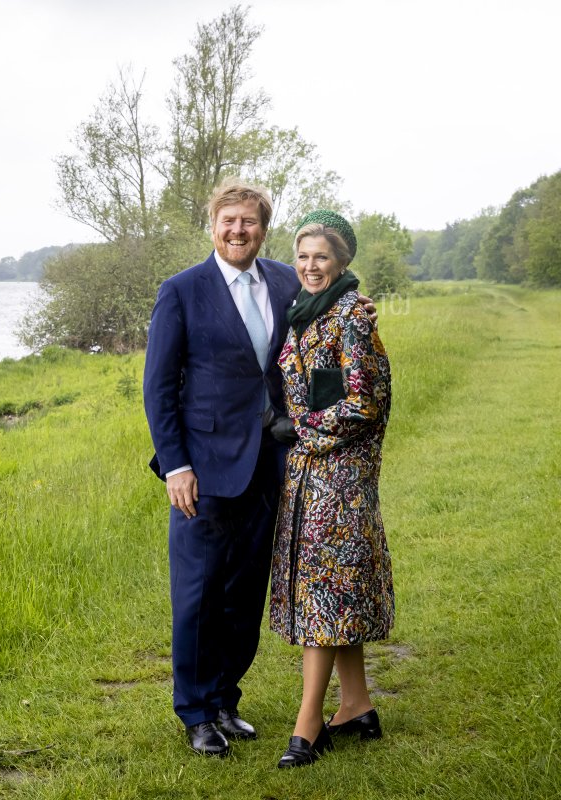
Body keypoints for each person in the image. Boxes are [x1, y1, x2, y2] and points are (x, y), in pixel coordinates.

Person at [143, 180, 376, 758]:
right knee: (197, 594)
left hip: (272, 466)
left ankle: (225, 699)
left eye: (248, 222)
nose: (238, 231)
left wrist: (361, 309)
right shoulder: (181, 292)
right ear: (213, 226)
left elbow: (334, 297)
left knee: (245, 592)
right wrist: (176, 465)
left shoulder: (284, 279)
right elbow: (158, 388)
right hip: (203, 470)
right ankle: (195, 712)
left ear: (262, 228)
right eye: (228, 222)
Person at [268, 210, 394, 769]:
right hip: (310, 477)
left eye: (321, 256)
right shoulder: (303, 312)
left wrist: (301, 430)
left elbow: (363, 404)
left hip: (339, 478)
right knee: (334, 593)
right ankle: (358, 705)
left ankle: (308, 724)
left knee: (323, 596)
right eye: (302, 256)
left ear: (343, 262)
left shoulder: (350, 318)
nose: (310, 266)